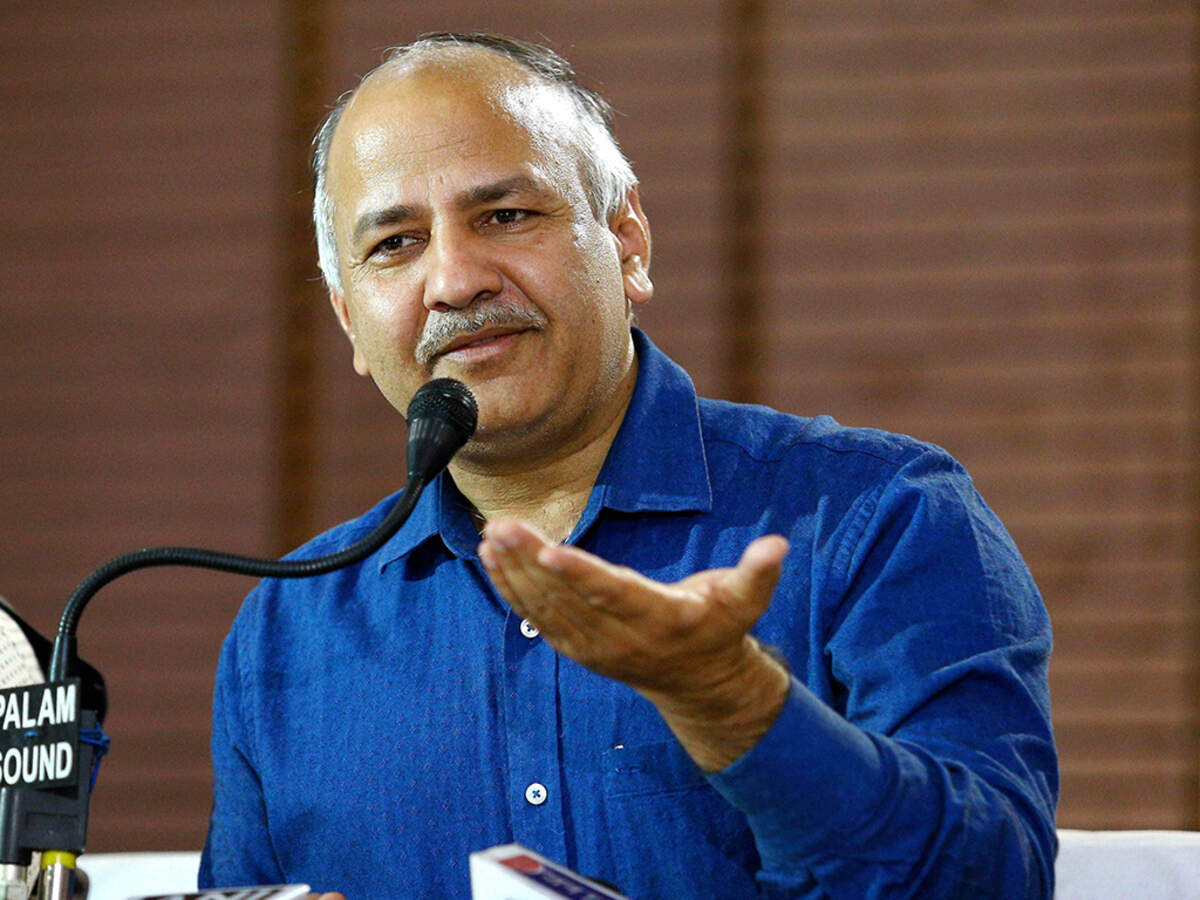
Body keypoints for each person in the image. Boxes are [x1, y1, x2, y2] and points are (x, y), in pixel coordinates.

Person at [200, 33, 1057, 899]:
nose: (455, 280)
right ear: (350, 321)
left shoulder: (878, 517)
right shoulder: (286, 628)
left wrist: (731, 701)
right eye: (395, 243)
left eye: (506, 216)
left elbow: (992, 882)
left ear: (628, 241)